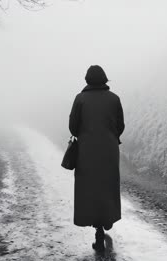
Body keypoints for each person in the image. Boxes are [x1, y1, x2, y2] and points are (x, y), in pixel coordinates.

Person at [69, 65, 125, 251]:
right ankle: (106, 219)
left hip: (86, 151)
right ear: (104, 79)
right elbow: (120, 126)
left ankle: (97, 227)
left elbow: (73, 128)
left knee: (90, 188)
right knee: (107, 186)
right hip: (109, 150)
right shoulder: (114, 99)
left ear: (87, 80)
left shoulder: (80, 99)